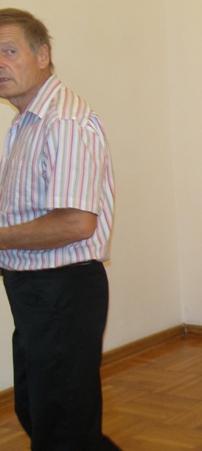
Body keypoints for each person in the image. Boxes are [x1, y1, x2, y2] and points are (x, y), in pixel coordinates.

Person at [0, 8, 118, 450]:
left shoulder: (64, 121)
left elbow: (76, 222)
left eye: (9, 51)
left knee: (62, 428)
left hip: (62, 293)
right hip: (35, 293)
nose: (0, 64)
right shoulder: (25, 123)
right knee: (42, 415)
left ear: (42, 55)